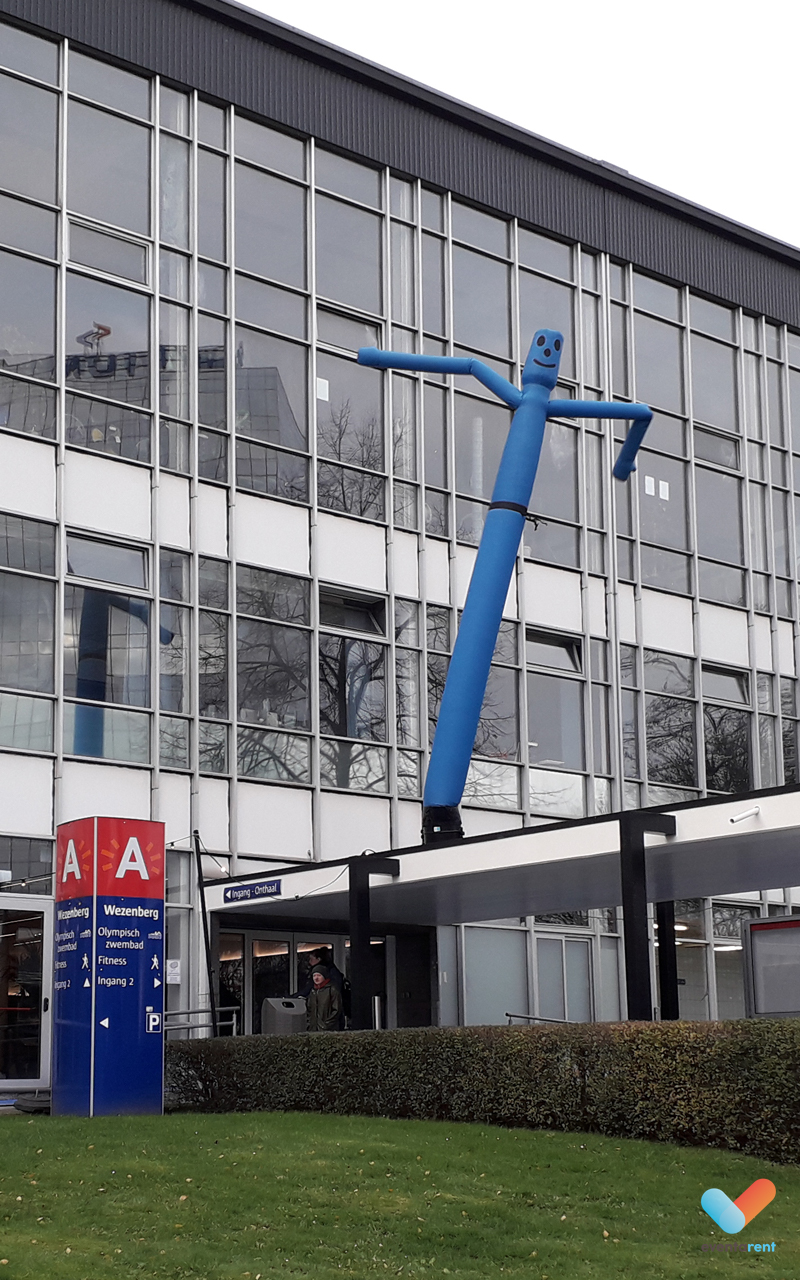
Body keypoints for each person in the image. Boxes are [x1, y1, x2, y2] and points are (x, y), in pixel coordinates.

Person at [305, 965, 342, 1033]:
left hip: (329, 1030)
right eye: (314, 976)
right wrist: (309, 1024)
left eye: (319, 975)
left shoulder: (332, 990)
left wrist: (326, 1025)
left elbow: (336, 1011)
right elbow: (309, 1010)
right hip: (313, 1030)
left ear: (324, 976)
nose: (316, 978)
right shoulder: (312, 992)